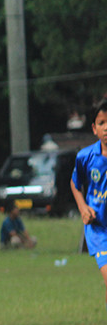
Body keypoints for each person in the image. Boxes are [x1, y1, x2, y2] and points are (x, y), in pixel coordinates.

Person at [70, 97, 107, 311]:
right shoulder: (86, 157)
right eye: (101, 123)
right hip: (99, 229)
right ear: (94, 128)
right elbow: (75, 185)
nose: (106, 128)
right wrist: (83, 208)